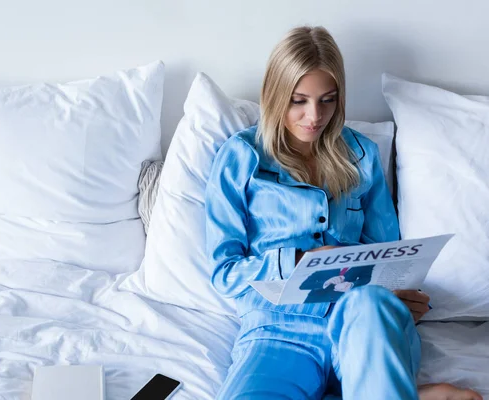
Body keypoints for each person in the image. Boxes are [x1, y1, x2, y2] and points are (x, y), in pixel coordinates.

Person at [205, 26, 482, 400]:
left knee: (371, 303)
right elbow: (223, 273)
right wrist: (298, 260)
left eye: (328, 100)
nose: (313, 117)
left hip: (362, 323)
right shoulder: (241, 157)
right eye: (298, 100)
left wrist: (401, 296)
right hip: (276, 330)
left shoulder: (362, 155)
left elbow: (387, 253)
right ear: (275, 95)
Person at [299, 265, 374, 303]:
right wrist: (326, 282)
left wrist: (352, 284)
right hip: (314, 300)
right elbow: (304, 285)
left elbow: (365, 278)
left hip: (339, 301)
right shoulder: (326, 260)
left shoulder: (366, 263)